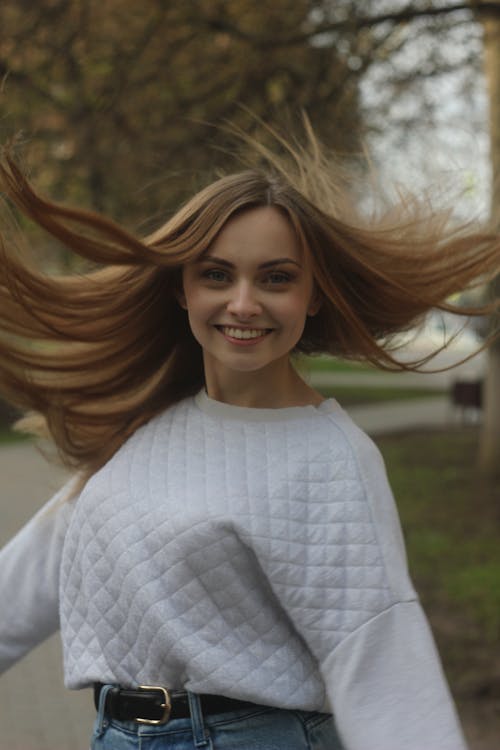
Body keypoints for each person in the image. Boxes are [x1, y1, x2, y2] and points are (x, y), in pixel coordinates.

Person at [0, 124, 498, 750]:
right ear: (182, 288)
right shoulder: (143, 425)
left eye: (275, 278)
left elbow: (379, 658)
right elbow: (19, 590)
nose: (243, 303)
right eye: (216, 275)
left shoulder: (328, 458)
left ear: (313, 296)